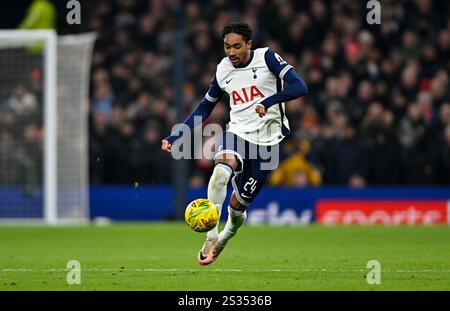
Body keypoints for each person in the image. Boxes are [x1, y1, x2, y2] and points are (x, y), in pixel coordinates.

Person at [161, 22, 307, 265]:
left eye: (237, 46)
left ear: (249, 44)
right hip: (237, 133)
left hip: (268, 142)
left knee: (237, 207)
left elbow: (300, 86)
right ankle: (210, 235)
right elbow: (205, 107)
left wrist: (269, 102)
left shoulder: (267, 58)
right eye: (227, 47)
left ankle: (225, 237)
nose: (231, 52)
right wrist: (175, 136)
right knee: (220, 172)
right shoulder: (223, 70)